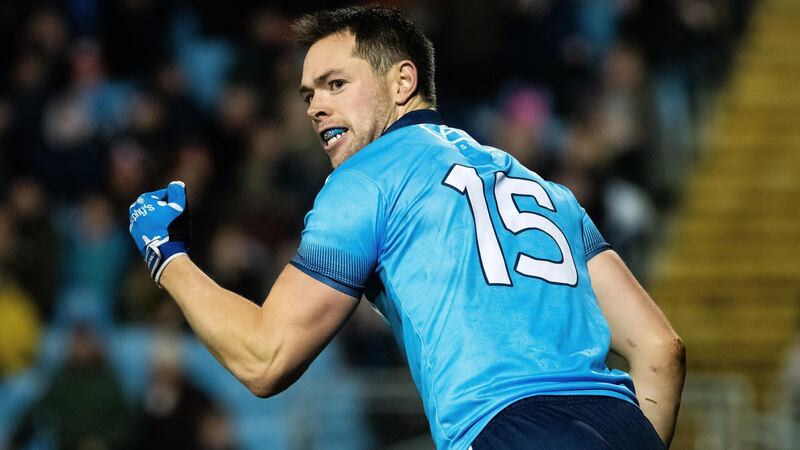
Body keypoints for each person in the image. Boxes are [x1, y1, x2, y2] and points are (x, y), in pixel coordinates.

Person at [127, 6, 685, 450]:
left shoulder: (369, 178)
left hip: (505, 431)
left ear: (402, 82)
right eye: (308, 94)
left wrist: (166, 254)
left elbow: (264, 358)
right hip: (622, 426)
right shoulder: (546, 191)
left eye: (335, 84)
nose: (315, 106)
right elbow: (660, 350)